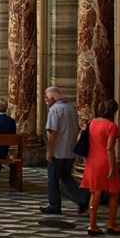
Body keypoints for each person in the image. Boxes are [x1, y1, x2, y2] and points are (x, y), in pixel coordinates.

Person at [40, 87, 90, 215]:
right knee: (66, 176)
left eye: (46, 97)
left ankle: (54, 205)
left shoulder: (54, 110)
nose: (45, 100)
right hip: (70, 150)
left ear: (52, 98)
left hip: (57, 151)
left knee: (53, 178)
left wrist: (49, 151)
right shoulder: (71, 108)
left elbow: (53, 132)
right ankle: (81, 199)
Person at [80, 99, 120, 236]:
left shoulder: (90, 123)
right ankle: (111, 223)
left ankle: (92, 225)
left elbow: (79, 140)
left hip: (92, 162)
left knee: (95, 193)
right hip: (105, 162)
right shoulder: (112, 126)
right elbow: (109, 148)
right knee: (114, 193)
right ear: (113, 112)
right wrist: (112, 167)